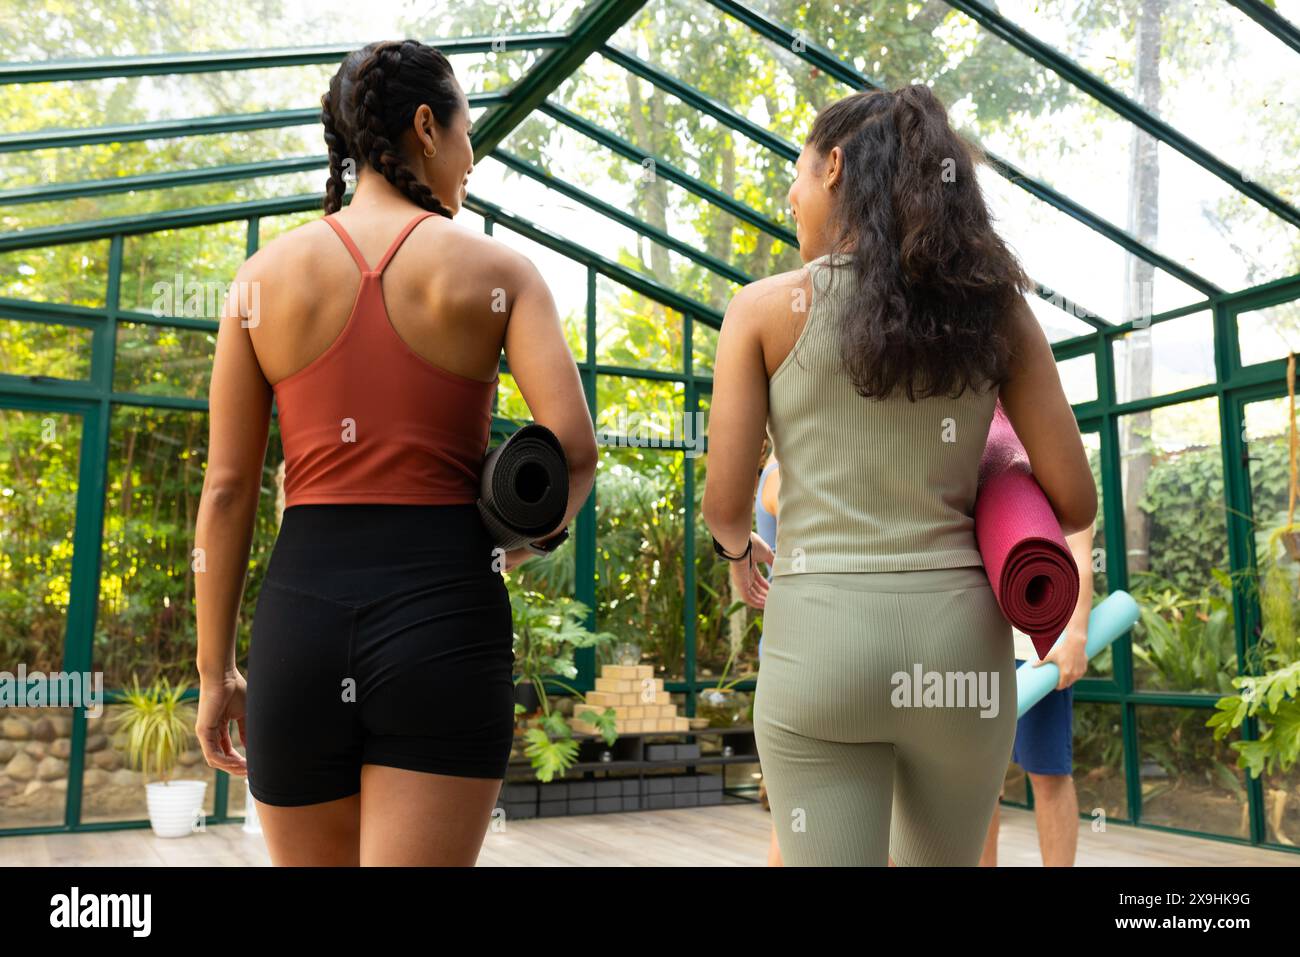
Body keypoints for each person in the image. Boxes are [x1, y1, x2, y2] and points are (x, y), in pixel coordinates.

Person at [192, 39, 597, 866]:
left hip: (300, 626)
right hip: (444, 619)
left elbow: (229, 490)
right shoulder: (500, 272)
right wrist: (511, 550)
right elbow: (573, 455)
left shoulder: (260, 281)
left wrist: (214, 674)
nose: (471, 159)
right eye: (466, 134)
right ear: (425, 126)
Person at [701, 85, 1096, 866]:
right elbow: (1075, 497)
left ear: (837, 166)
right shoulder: (996, 313)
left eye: (799, 173)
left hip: (821, 649)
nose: (792, 195)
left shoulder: (760, 311)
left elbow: (725, 508)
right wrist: (995, 463)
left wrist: (743, 555)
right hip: (957, 654)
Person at [981, 525, 1095, 867]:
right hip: (976, 645)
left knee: (1048, 774)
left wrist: (1075, 635)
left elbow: (1079, 551)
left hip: (1038, 650)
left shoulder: (1059, 470)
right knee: (981, 781)